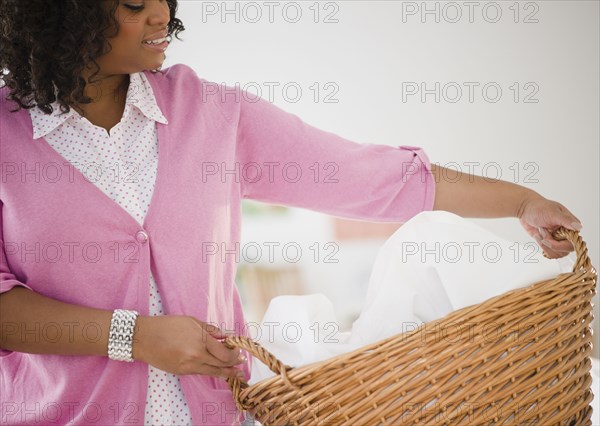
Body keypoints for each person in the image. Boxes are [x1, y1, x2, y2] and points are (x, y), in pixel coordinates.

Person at [0, 1, 583, 425]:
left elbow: (369, 175)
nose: (160, 16)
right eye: (133, 3)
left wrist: (519, 202)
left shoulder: (213, 114)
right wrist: (136, 337)